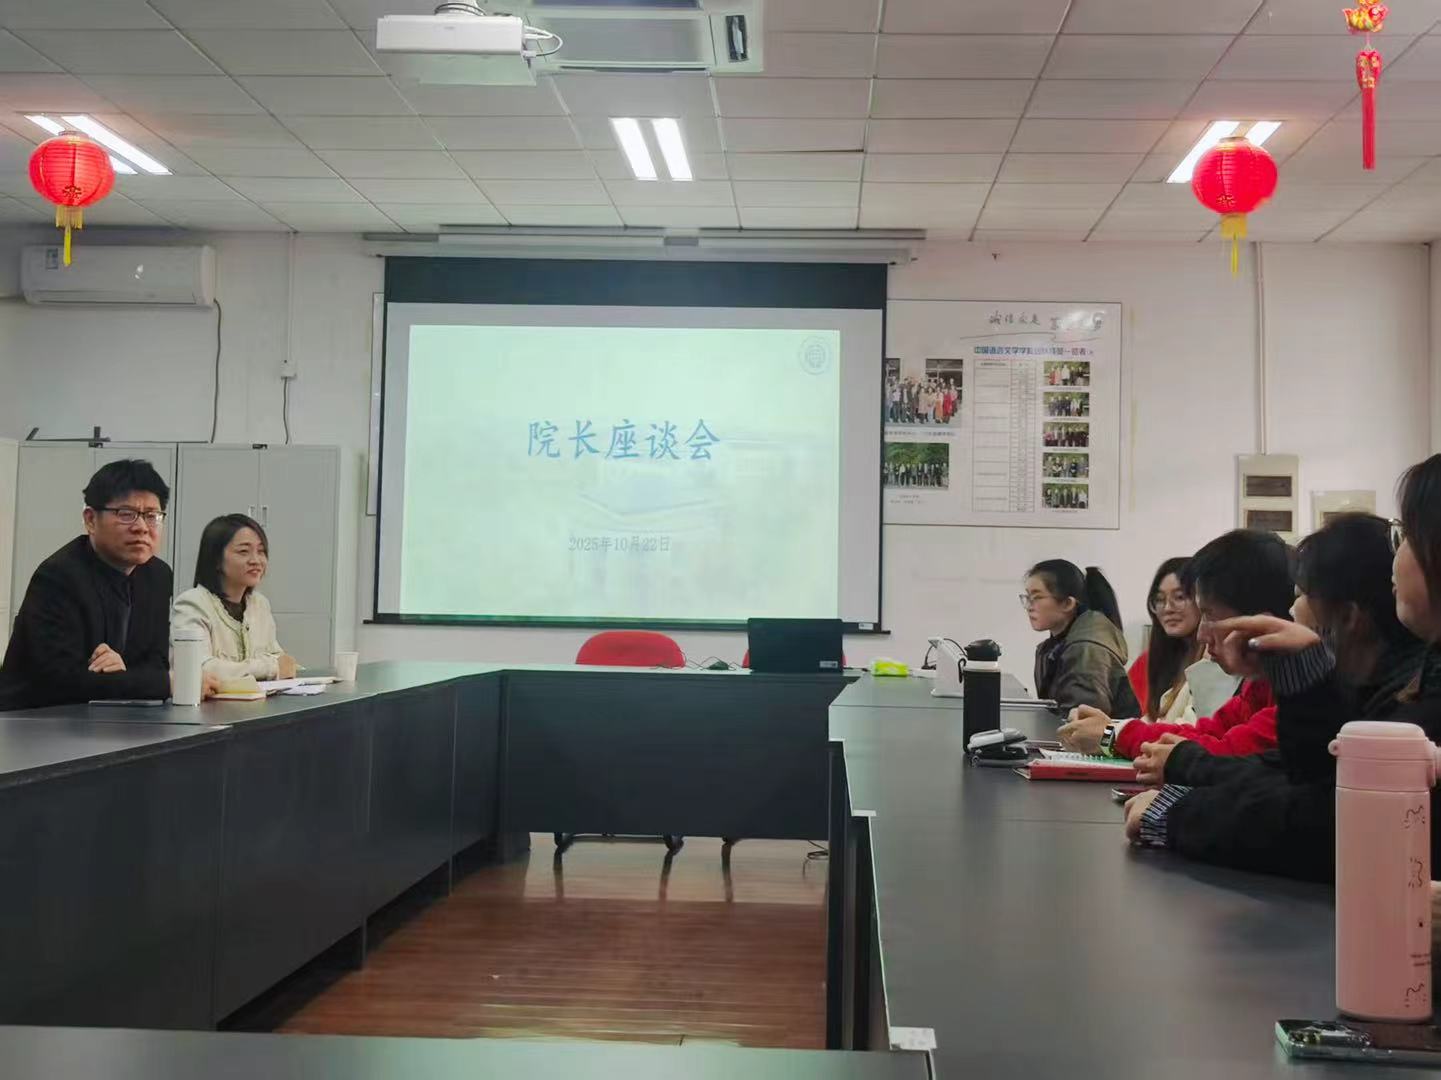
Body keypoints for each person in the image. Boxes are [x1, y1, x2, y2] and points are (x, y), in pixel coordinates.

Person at [1125, 502, 1441, 882]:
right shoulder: (1387, 687)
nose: (1291, 608)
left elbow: (1322, 818)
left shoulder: (1413, 703)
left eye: (1408, 534)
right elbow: (1296, 775)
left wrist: (1177, 809)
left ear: (1348, 616)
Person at [0, 460, 217, 710]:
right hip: (34, 719)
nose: (141, 527)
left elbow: (155, 663)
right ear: (91, 520)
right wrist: (165, 684)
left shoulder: (157, 575)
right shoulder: (58, 577)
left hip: (115, 717)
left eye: (152, 516)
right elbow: (62, 680)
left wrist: (123, 675)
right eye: (126, 514)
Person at [1058, 529, 1293, 758]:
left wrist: (1111, 735)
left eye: (1210, 616)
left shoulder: (1294, 695)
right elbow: (1204, 734)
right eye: (1159, 600)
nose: (1202, 634)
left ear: (1260, 620)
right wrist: (1113, 731)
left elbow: (1219, 753)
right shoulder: (1260, 685)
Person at [172, 514, 297, 683]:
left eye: (261, 551)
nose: (256, 560)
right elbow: (199, 668)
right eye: (243, 551)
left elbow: (279, 659)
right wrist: (270, 668)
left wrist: (278, 665)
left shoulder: (260, 604)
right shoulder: (192, 604)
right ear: (216, 559)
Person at [1025, 560, 1139, 715]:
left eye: (1037, 597)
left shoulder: (1085, 649)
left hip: (1102, 731)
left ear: (1067, 603)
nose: (1029, 606)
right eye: (1027, 597)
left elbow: (1086, 722)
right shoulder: (1053, 647)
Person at [1127, 558, 1207, 724]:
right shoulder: (1158, 659)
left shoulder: (1213, 662)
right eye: (1160, 599)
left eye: (1179, 597)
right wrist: (1106, 730)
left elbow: (1185, 730)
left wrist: (1108, 731)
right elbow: (1143, 722)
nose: (1168, 608)